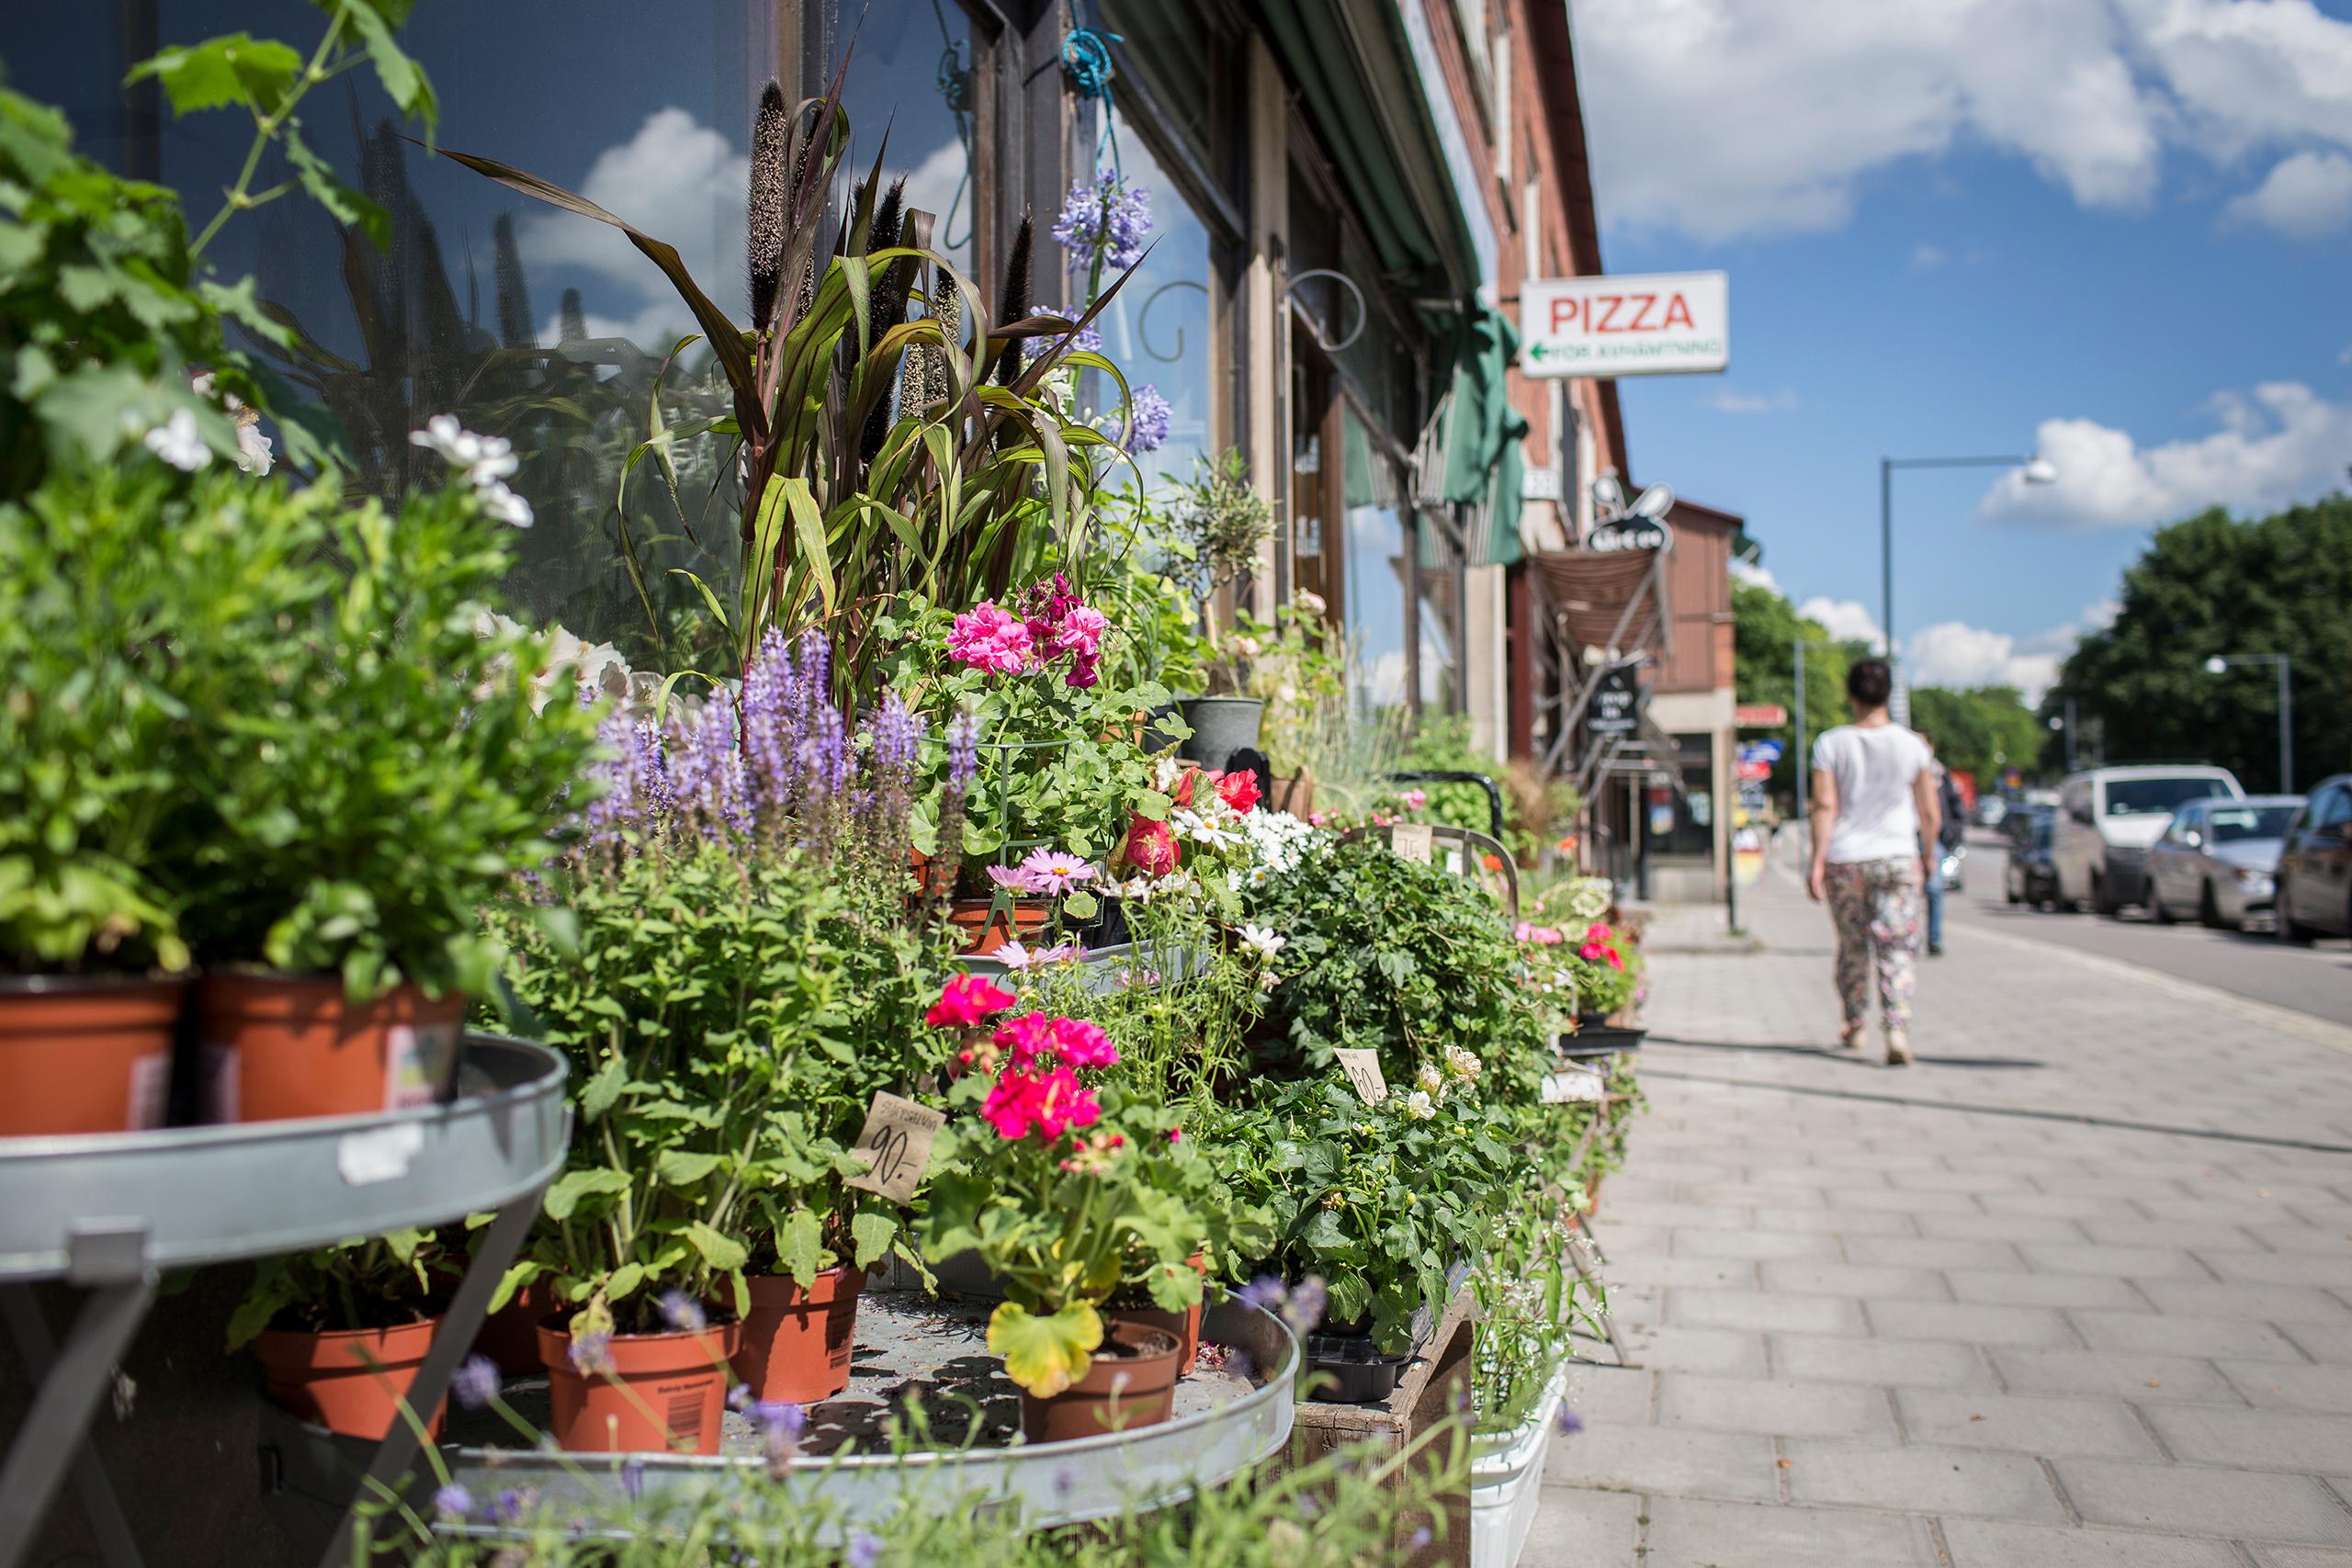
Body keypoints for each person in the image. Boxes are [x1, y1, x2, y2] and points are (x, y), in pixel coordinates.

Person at [1805, 660, 1940, 1065]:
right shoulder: (1913, 745)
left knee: (1852, 946)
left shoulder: (1831, 743)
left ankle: (1856, 1024)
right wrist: (1930, 854)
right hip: (1898, 856)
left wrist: (1816, 862)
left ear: (1850, 695)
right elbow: (1929, 811)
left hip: (1846, 859)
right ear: (1887, 694)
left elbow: (1824, 806)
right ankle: (1896, 1030)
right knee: (1896, 946)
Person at [1914, 730, 1967, 957]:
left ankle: (1934, 939)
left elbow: (1954, 807)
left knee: (1934, 889)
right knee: (1909, 891)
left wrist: (1952, 833)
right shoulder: (1904, 771)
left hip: (1934, 838)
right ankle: (1910, 939)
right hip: (1908, 837)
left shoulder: (1941, 774)